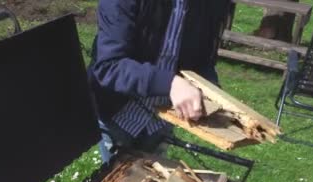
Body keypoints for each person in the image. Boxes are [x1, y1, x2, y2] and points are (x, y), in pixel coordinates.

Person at [86, 0, 231, 163]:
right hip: (118, 113)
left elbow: (204, 59)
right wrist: (170, 84)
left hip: (162, 119)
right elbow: (109, 66)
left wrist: (210, 89)